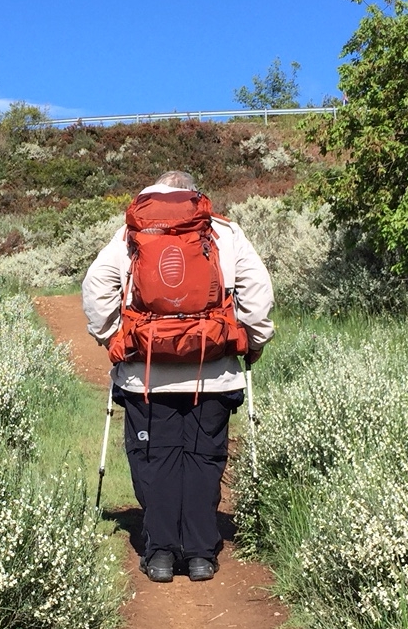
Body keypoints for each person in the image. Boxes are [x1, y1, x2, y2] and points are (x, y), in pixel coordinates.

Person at [82, 170, 275, 582]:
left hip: (145, 373)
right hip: (214, 369)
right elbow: (257, 294)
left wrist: (112, 338)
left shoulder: (131, 233)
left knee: (155, 460)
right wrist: (253, 341)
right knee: (203, 459)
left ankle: (162, 555)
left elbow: (97, 289)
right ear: (194, 194)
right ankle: (202, 554)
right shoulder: (223, 231)